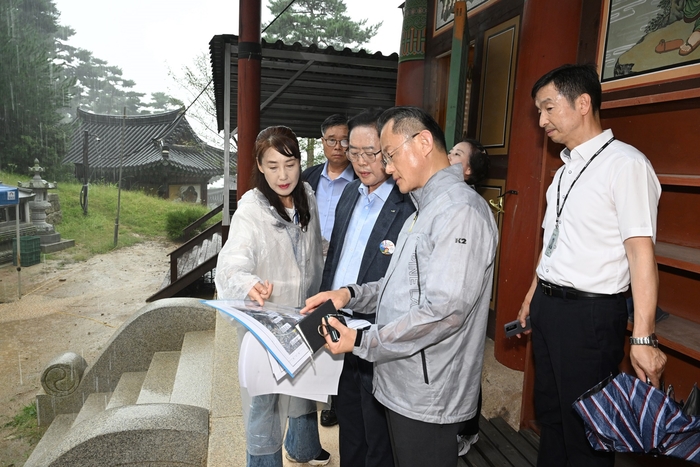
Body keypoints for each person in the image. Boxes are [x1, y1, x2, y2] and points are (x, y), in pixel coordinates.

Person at [302, 106, 498, 467]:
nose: (387, 167)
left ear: (423, 142)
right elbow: (397, 283)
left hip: (428, 391)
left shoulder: (460, 211)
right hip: (401, 380)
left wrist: (363, 340)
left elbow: (445, 311)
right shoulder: (426, 206)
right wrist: (348, 294)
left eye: (388, 155)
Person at [516, 64, 667, 467]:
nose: (542, 120)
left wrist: (644, 338)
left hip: (590, 315)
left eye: (548, 108)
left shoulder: (626, 165)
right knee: (551, 417)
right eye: (538, 111)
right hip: (550, 308)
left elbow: (640, 254)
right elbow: (553, 242)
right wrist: (533, 295)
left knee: (587, 433)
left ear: (583, 103)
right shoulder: (564, 171)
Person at [214, 126, 331, 467]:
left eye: (290, 163)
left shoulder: (307, 195)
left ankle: (303, 446)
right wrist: (248, 284)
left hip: (304, 310)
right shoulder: (252, 208)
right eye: (273, 165)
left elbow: (315, 250)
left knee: (306, 380)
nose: (283, 175)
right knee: (265, 397)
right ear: (260, 166)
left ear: (300, 162)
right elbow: (232, 262)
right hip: (268, 316)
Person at [323, 108, 415, 467]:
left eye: (371, 153)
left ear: (388, 151)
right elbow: (334, 261)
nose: (361, 162)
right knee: (349, 426)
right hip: (340, 325)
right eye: (353, 152)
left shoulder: (406, 204)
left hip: (377, 334)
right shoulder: (349, 195)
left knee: (378, 436)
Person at [302, 114, 355, 426]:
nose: (338, 146)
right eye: (331, 140)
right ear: (322, 143)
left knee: (338, 324)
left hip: (343, 262)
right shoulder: (309, 178)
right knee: (312, 323)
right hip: (313, 262)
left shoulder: (361, 180)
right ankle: (313, 390)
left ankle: (335, 400)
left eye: (344, 140)